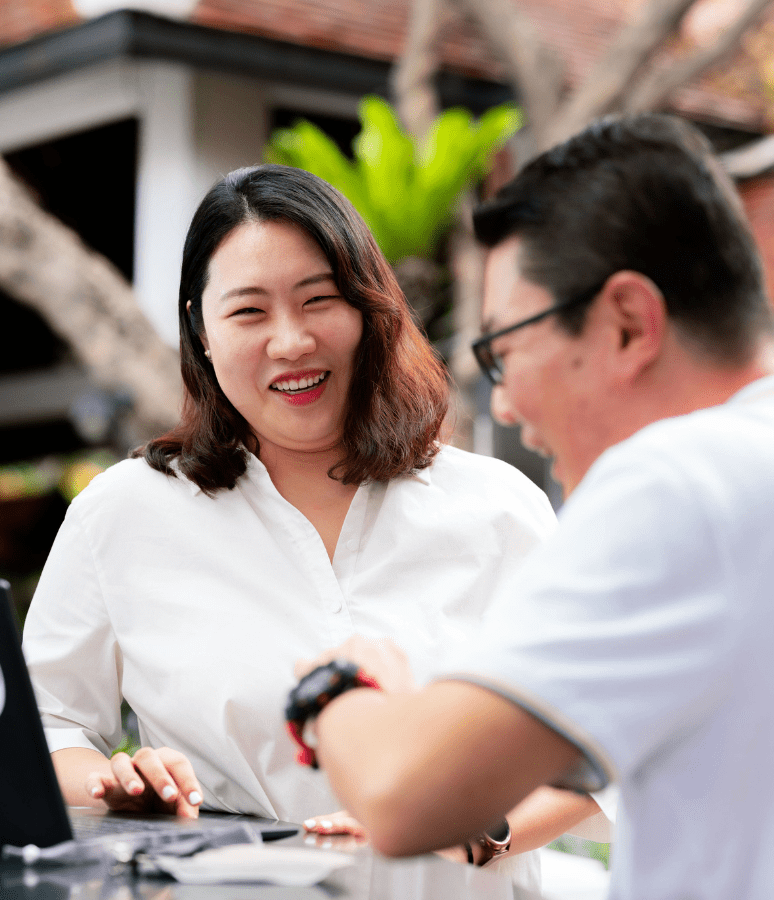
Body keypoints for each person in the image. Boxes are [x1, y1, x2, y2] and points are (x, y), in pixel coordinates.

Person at [22, 163, 603, 887]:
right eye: (248, 312)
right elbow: (42, 728)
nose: (291, 341)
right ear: (200, 331)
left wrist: (465, 830)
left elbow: (594, 743)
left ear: (370, 309)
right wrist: (115, 784)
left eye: (319, 299)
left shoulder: (496, 506)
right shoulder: (121, 513)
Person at [290, 113, 774, 900]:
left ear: (627, 323)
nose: (506, 405)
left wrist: (338, 687)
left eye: (502, 350)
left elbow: (405, 796)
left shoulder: (678, 486)